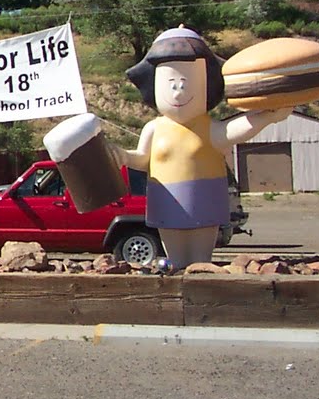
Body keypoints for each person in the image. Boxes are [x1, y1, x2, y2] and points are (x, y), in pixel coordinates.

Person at [118, 27, 288, 270]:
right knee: (175, 262)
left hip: (204, 203)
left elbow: (237, 128)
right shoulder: (154, 128)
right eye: (171, 82)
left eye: (185, 81)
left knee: (201, 263)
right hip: (166, 204)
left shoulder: (209, 128)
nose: (178, 90)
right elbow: (142, 159)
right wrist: (122, 156)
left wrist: (267, 116)